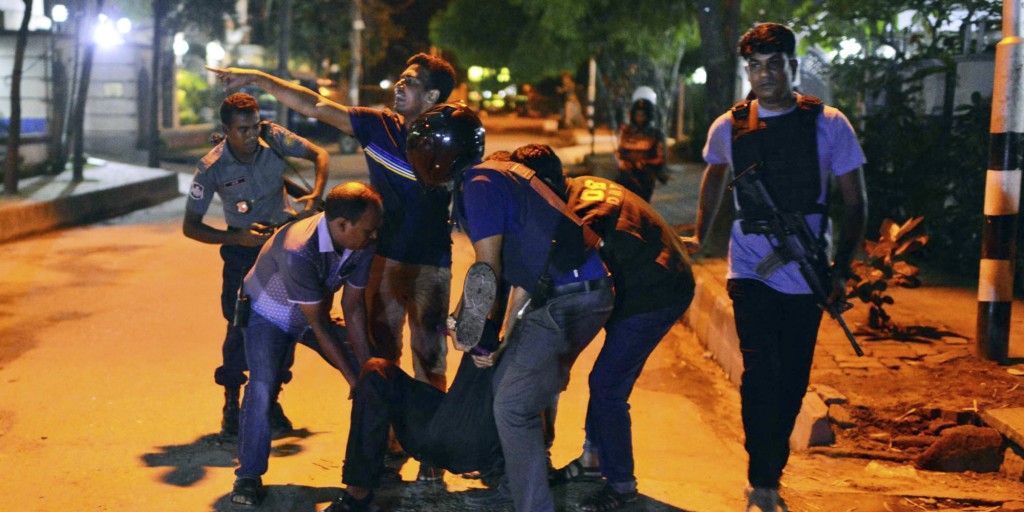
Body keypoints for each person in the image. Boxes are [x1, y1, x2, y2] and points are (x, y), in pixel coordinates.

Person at [681, 23, 867, 512]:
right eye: (755, 66)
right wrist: (701, 236)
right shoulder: (730, 126)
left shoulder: (830, 124)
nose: (764, 75)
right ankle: (761, 478)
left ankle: (771, 464)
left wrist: (841, 269)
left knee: (792, 381)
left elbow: (856, 203)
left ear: (793, 66)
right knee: (760, 372)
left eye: (774, 64)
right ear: (748, 70)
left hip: (808, 271)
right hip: (750, 271)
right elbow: (714, 177)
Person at [406, 103, 615, 512]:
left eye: (425, 146)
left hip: (567, 297)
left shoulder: (478, 184)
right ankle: (512, 491)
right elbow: (520, 267)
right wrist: (469, 319)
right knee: (506, 389)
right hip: (575, 290)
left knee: (512, 406)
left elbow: (488, 269)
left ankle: (532, 505)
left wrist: (486, 340)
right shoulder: (497, 175)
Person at [208, 54, 457, 394]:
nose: (399, 86)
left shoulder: (452, 139)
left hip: (432, 263)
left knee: (430, 360)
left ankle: (429, 442)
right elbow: (314, 105)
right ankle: (387, 439)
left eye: (410, 82)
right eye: (400, 79)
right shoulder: (379, 127)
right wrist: (255, 78)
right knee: (381, 355)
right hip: (381, 259)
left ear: (432, 97)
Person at [511, 144, 695, 512]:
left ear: (542, 185)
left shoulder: (576, 215)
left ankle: (622, 484)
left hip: (654, 293)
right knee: (603, 380)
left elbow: (557, 272)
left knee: (607, 386)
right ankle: (593, 461)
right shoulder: (583, 184)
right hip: (653, 277)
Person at [183, 92, 329, 438]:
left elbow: (319, 155)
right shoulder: (211, 167)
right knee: (239, 327)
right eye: (243, 130)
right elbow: (191, 227)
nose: (252, 135)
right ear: (226, 129)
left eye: (254, 126)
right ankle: (232, 401)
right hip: (243, 251)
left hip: (285, 246)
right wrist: (238, 238)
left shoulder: (274, 136)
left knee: (287, 323)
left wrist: (316, 195)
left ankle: (272, 399)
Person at [229, 182, 382, 508]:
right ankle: (248, 475)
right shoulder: (300, 248)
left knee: (375, 378)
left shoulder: (364, 239)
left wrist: (365, 370)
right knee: (261, 386)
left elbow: (354, 306)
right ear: (342, 225)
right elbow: (319, 326)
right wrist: (352, 380)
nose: (374, 237)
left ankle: (361, 476)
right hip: (267, 313)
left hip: (313, 311)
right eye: (368, 231)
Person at [615, 94, 667, 203]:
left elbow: (660, 158)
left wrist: (645, 163)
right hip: (626, 177)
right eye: (637, 115)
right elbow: (620, 152)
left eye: (642, 115)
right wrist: (623, 162)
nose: (639, 118)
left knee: (642, 206)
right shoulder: (626, 132)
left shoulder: (655, 134)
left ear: (648, 116)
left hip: (645, 178)